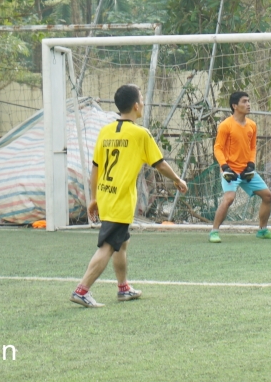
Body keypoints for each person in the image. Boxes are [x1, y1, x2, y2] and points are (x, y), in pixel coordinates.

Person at [70, 84, 188, 307]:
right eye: (141, 99)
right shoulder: (140, 133)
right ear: (136, 105)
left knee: (121, 243)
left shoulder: (105, 131)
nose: (142, 102)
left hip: (105, 196)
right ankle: (82, 290)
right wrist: (177, 180)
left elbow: (95, 168)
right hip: (120, 200)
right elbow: (160, 164)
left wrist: (94, 198)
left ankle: (123, 288)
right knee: (107, 246)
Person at [208, 91, 271, 242]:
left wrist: (251, 164)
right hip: (231, 170)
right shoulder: (225, 125)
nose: (248, 104)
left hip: (247, 171)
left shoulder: (252, 125)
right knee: (229, 199)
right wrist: (225, 167)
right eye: (244, 101)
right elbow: (218, 148)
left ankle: (262, 230)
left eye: (248, 101)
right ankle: (214, 232)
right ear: (235, 106)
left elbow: (252, 147)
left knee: (268, 196)